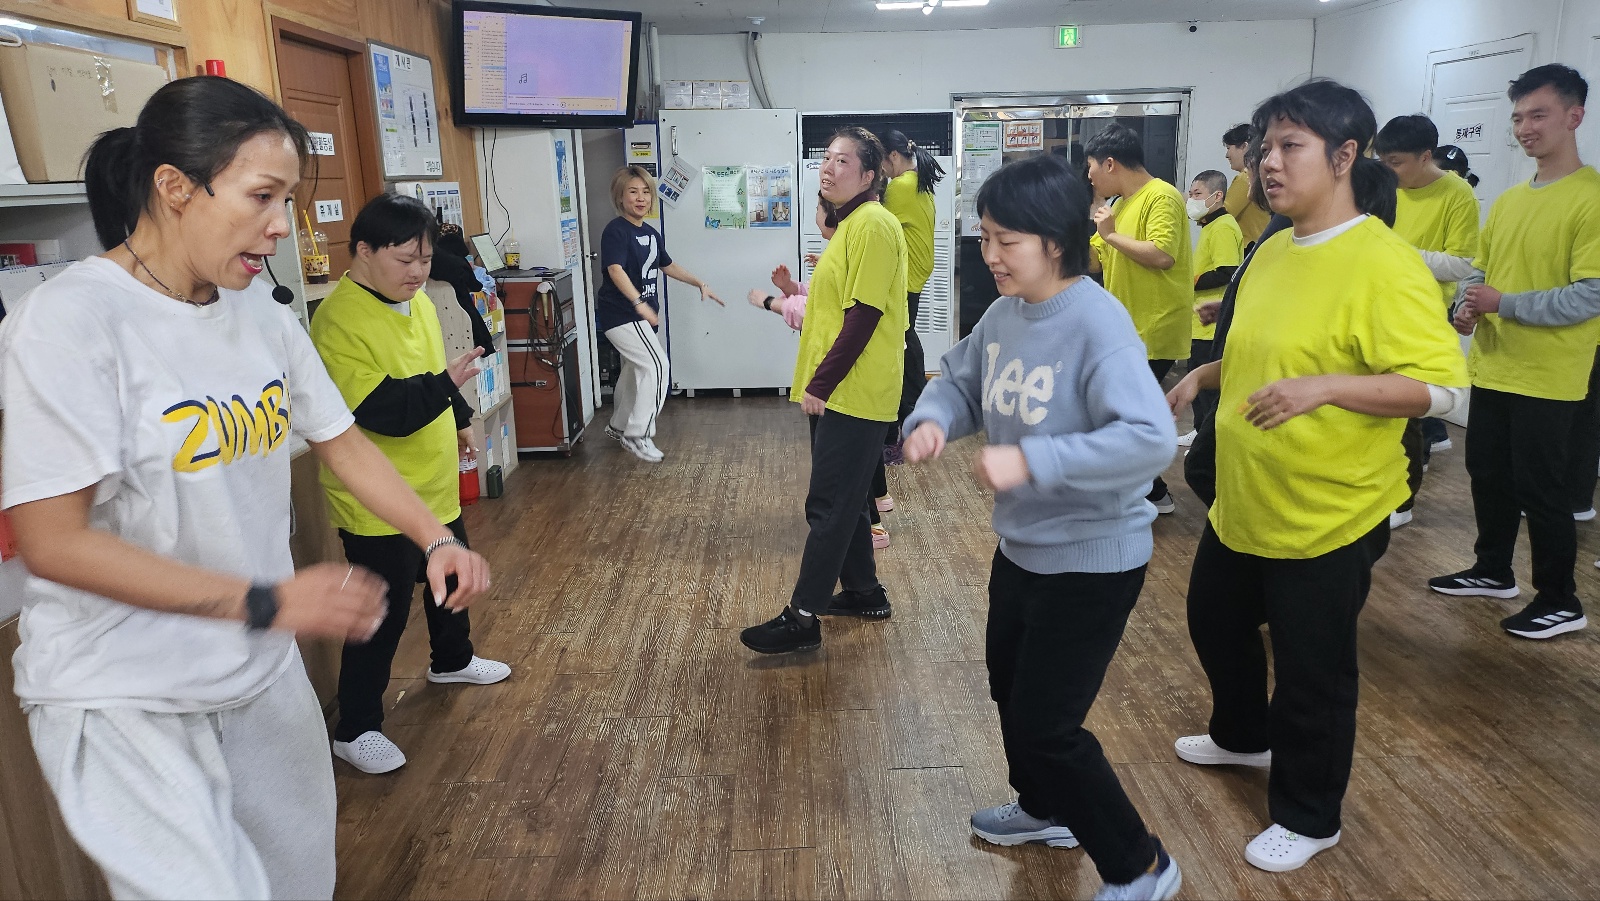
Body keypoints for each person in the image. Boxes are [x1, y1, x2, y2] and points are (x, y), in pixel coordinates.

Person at [0, 76, 490, 900]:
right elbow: (54, 542)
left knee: (300, 880)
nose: (280, 225)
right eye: (262, 196)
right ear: (174, 187)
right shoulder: (69, 321)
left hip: (258, 665)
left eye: (287, 199)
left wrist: (435, 536)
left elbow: (343, 442)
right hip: (125, 688)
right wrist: (265, 599)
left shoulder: (259, 313)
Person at [1166, 79, 1468, 873]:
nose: (1269, 163)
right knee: (1214, 619)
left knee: (1314, 673)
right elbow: (1268, 351)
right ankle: (1243, 736)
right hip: (1249, 496)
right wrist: (1203, 376)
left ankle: (1310, 814)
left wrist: (1327, 388)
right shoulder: (1273, 249)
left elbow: (1443, 389)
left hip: (1330, 510)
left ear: (1344, 156)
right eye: (1264, 147)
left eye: (1290, 146)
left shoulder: (1384, 263)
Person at [904, 153, 1180, 901]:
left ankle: (1142, 865)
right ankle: (1046, 808)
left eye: (1007, 240)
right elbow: (961, 383)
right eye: (985, 237)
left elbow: (1150, 439)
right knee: (1009, 686)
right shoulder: (1004, 314)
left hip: (1094, 559)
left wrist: (1035, 460)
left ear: (1056, 241)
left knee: (1049, 723)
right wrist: (933, 420)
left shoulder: (1097, 322)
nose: (990, 255)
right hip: (1024, 548)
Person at [310, 193, 512, 775]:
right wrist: (446, 388)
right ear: (363, 251)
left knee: (451, 580)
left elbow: (428, 373)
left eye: (424, 259)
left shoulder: (415, 301)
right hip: (376, 502)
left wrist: (460, 418)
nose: (418, 272)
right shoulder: (339, 320)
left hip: (433, 483)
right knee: (384, 610)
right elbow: (382, 411)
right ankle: (356, 727)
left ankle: (452, 660)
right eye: (405, 259)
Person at [1432, 64, 1600, 639]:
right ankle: (1492, 569)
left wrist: (1504, 304)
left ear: (1574, 116)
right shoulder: (1507, 201)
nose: (1525, 128)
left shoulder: (1591, 198)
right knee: (1487, 474)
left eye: (1538, 115)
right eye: (1518, 117)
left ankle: (1560, 599)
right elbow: (1481, 271)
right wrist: (1468, 306)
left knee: (1542, 491)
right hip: (1494, 366)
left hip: (1549, 374)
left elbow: (1591, 293)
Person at [740, 127, 908, 654]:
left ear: (869, 174)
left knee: (829, 504)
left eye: (843, 161)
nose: (829, 169)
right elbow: (828, 306)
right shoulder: (850, 225)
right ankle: (864, 592)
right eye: (826, 159)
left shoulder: (874, 224)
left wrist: (822, 382)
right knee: (849, 498)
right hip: (842, 390)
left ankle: (803, 617)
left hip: (856, 391)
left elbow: (865, 315)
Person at [1375, 113, 1482, 526]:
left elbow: (1463, 262)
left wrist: (1400, 254)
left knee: (1405, 413)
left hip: (1421, 314)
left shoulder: (1457, 193)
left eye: (1396, 162)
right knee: (1373, 410)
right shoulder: (1387, 187)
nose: (1389, 170)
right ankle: (1375, 491)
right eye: (1384, 161)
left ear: (1425, 156)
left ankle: (1402, 503)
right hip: (1375, 309)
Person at [1085, 123, 1193, 514]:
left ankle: (1148, 493)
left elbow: (1162, 254)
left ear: (1110, 163)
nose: (1089, 176)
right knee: (1121, 414)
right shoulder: (1117, 206)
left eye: (1091, 167)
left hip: (1155, 328)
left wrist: (1111, 235)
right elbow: (1094, 263)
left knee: (1121, 413)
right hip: (1127, 331)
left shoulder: (1161, 196)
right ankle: (1151, 490)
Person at [595, 165, 723, 463]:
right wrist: (638, 302)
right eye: (633, 192)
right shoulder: (616, 231)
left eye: (645, 192)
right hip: (623, 314)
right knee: (657, 367)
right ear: (620, 197)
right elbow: (614, 269)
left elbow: (667, 265)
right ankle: (637, 433)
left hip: (641, 316)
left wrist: (699, 282)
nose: (641, 198)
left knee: (634, 371)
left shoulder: (651, 233)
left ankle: (619, 425)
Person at [1178, 169, 1244, 446]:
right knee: (1197, 378)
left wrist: (1189, 280)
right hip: (1200, 320)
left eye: (1197, 194)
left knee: (1206, 386)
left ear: (1217, 196)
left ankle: (1205, 439)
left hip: (1211, 324)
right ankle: (1199, 431)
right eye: (1191, 194)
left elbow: (1226, 270)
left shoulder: (1224, 227)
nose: (1191, 200)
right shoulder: (1211, 226)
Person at [430, 221, 496, 359]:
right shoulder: (459, 262)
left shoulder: (429, 260)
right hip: (463, 315)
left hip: (436, 318)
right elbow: (476, 286)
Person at [1223, 123, 1274, 247]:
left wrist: (1195, 205)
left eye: (1229, 148)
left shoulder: (1245, 177)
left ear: (1244, 147)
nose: (1227, 155)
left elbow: (1224, 213)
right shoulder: (1260, 175)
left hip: (1248, 246)